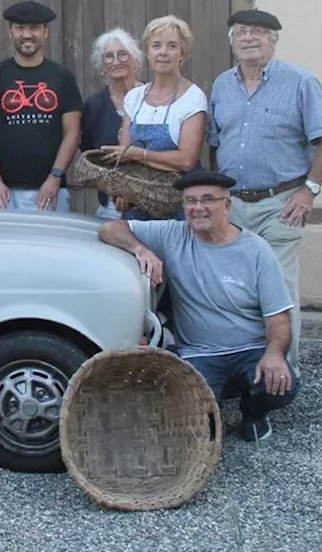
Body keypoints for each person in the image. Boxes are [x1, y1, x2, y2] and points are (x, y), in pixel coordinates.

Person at [98, 170, 299, 442]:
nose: (198, 208)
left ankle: (253, 412)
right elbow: (109, 228)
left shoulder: (256, 250)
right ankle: (212, 403)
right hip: (200, 353)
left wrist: (274, 354)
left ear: (226, 206)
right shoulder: (173, 234)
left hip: (250, 349)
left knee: (279, 387)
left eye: (207, 200)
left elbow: (278, 316)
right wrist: (141, 250)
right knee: (192, 421)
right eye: (190, 201)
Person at [208, 9, 322, 371]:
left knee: (278, 290)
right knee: (236, 289)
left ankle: (285, 373)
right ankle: (246, 368)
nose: (248, 38)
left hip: (281, 204)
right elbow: (214, 144)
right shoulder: (221, 85)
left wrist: (309, 191)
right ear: (232, 42)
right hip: (234, 205)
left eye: (258, 32)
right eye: (241, 33)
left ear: (274, 40)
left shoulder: (301, 82)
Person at [0, 0, 83, 211]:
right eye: (20, 28)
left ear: (45, 32)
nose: (26, 34)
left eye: (34, 28)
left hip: (52, 190)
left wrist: (55, 177)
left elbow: (73, 132)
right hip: (4, 192)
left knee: (53, 244)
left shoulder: (62, 77)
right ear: (10, 32)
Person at [100, 15, 207, 219]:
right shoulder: (135, 97)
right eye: (156, 45)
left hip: (177, 205)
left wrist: (138, 155)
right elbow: (123, 157)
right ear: (147, 52)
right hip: (136, 204)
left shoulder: (193, 98)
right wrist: (123, 191)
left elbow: (186, 160)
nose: (163, 52)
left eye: (172, 46)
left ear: (182, 53)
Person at [80, 29, 143, 219]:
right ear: (102, 66)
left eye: (122, 54)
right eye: (109, 57)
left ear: (135, 60)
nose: (116, 61)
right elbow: (91, 157)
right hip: (112, 206)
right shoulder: (94, 106)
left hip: (154, 202)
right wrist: (118, 189)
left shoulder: (153, 98)